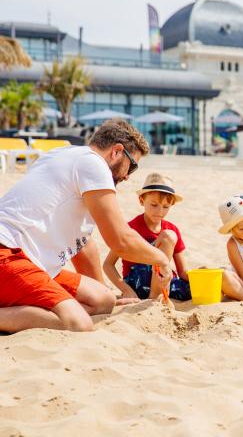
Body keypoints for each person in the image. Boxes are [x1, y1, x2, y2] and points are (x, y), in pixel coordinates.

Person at [0, 119, 174, 333]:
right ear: (117, 151)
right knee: (77, 324)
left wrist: (107, 297)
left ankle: (38, 311)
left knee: (103, 300)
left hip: (30, 262)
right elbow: (120, 241)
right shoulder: (93, 164)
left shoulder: (63, 154)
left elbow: (83, 245)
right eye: (133, 166)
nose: (128, 176)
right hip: (7, 254)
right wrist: (162, 259)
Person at [103, 173, 191, 301]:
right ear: (141, 200)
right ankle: (153, 299)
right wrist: (126, 290)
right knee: (167, 236)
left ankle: (159, 295)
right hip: (138, 282)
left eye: (166, 207)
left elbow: (182, 271)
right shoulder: (131, 228)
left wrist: (201, 274)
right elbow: (108, 265)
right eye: (154, 205)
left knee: (198, 289)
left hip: (164, 281)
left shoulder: (173, 229)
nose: (160, 211)